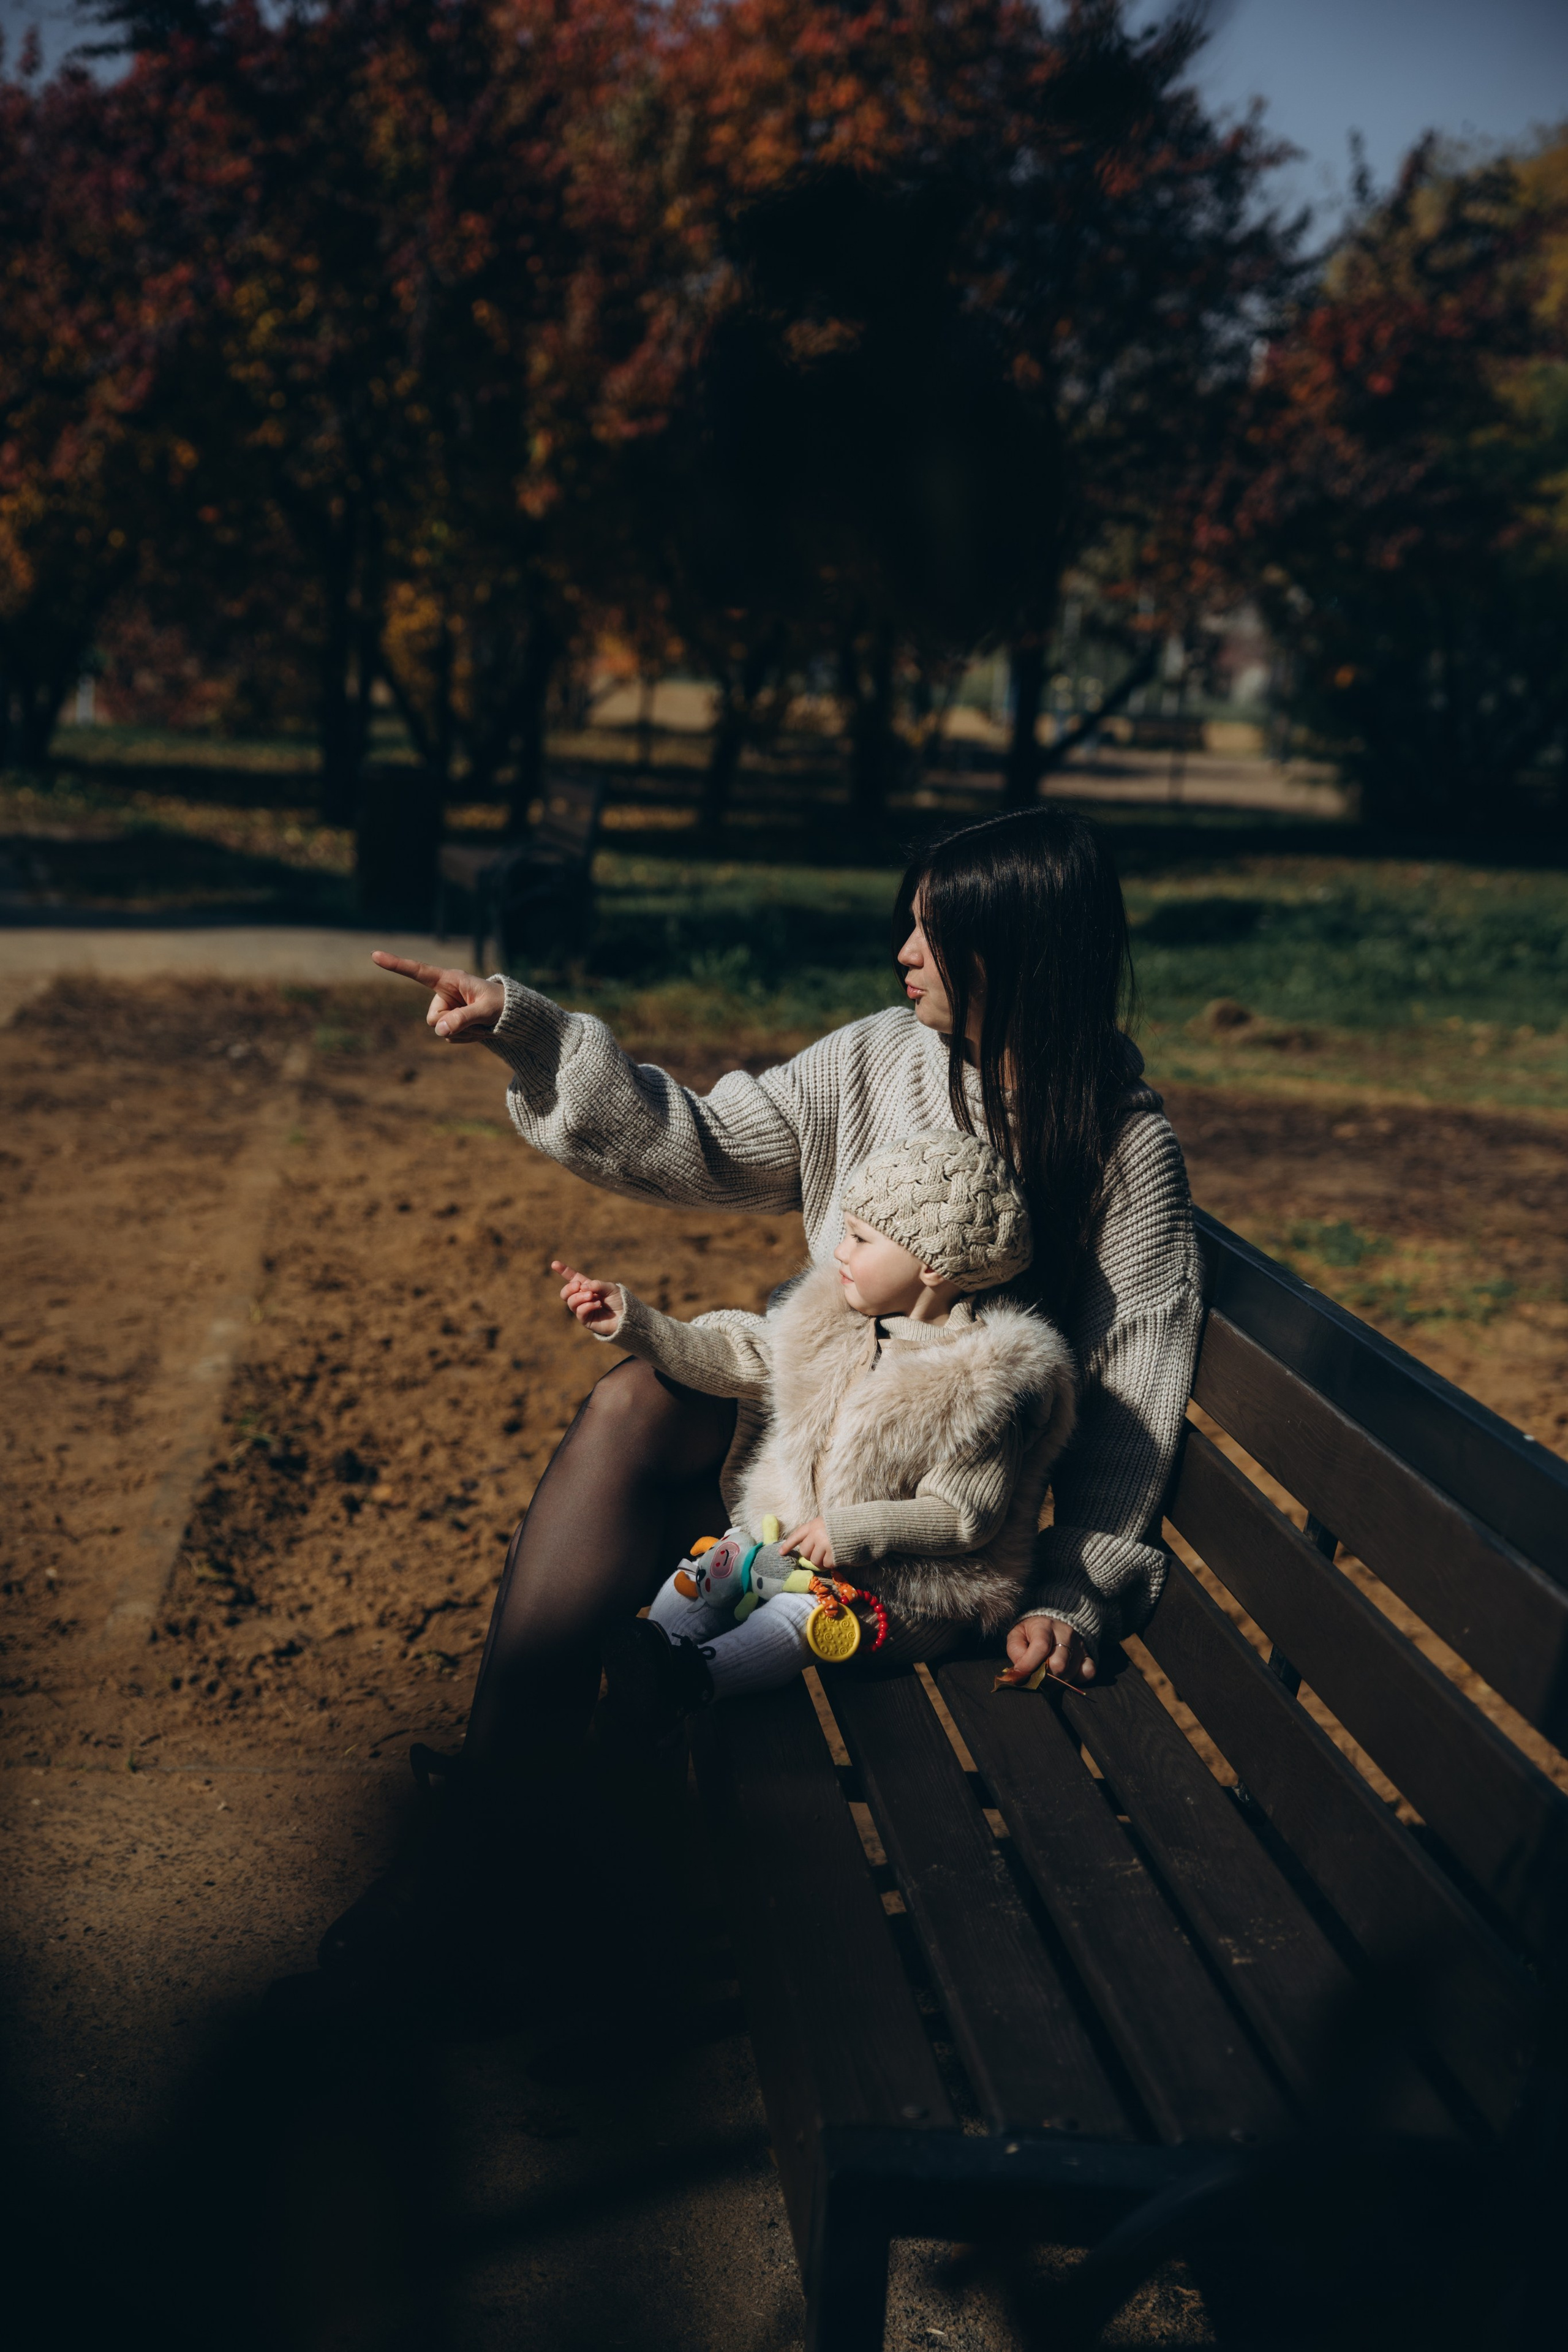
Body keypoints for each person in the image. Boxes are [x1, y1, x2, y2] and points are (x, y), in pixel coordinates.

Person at [317, 807, 1201, 1995]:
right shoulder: (877, 1058)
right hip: (816, 1463)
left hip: (916, 1541)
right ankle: (490, 1824)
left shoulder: (1116, 1146)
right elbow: (702, 1140)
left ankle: (498, 1868)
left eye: (936, 935)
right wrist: (527, 1032)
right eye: (909, 923)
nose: (902, 951)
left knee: (656, 1449)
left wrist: (1073, 1593)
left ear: (1020, 950)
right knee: (638, 1401)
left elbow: (1132, 1387)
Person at [551, 1131, 1079, 1738]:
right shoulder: (840, 1324)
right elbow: (735, 1358)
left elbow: (966, 1517)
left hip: (906, 1593)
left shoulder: (977, 1386)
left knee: (804, 1617)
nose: (839, 1252)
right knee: (716, 1568)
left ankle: (686, 1677)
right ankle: (649, 1659)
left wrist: (853, 1530)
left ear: (932, 1265)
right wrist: (635, 1323)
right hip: (795, 1550)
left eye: (860, 1238)